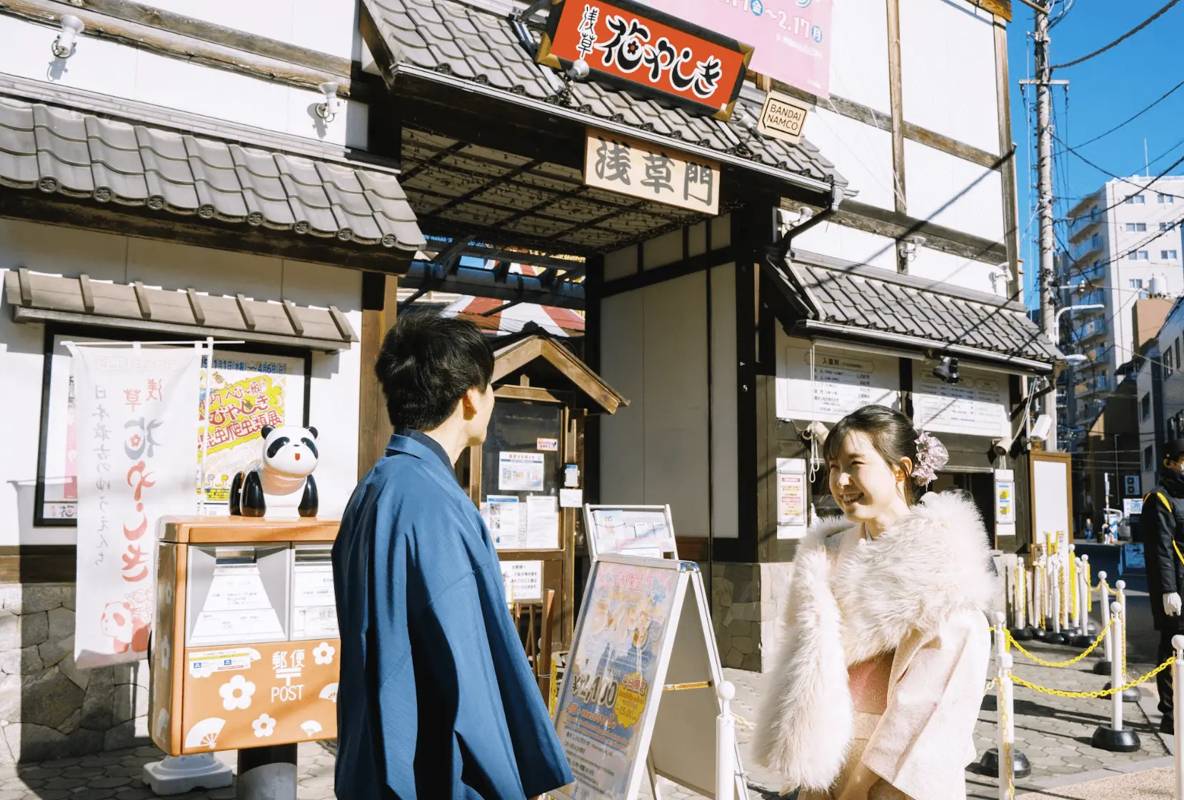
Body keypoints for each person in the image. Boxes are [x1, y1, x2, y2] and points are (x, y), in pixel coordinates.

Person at [332, 312, 572, 799]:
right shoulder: (435, 507)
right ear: (469, 398)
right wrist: (510, 781)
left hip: (374, 755)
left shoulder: (377, 488)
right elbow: (471, 677)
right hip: (432, 769)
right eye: (490, 388)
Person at [754, 405, 994, 800]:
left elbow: (933, 707)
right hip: (824, 760)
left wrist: (865, 786)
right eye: (833, 466)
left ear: (900, 470)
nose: (840, 481)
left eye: (855, 464)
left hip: (896, 772)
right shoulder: (825, 557)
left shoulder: (946, 568)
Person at [1140, 438, 1184, 735]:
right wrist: (1168, 589)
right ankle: (1170, 714)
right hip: (1175, 586)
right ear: (1170, 462)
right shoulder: (1160, 498)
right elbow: (1160, 549)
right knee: (1172, 646)